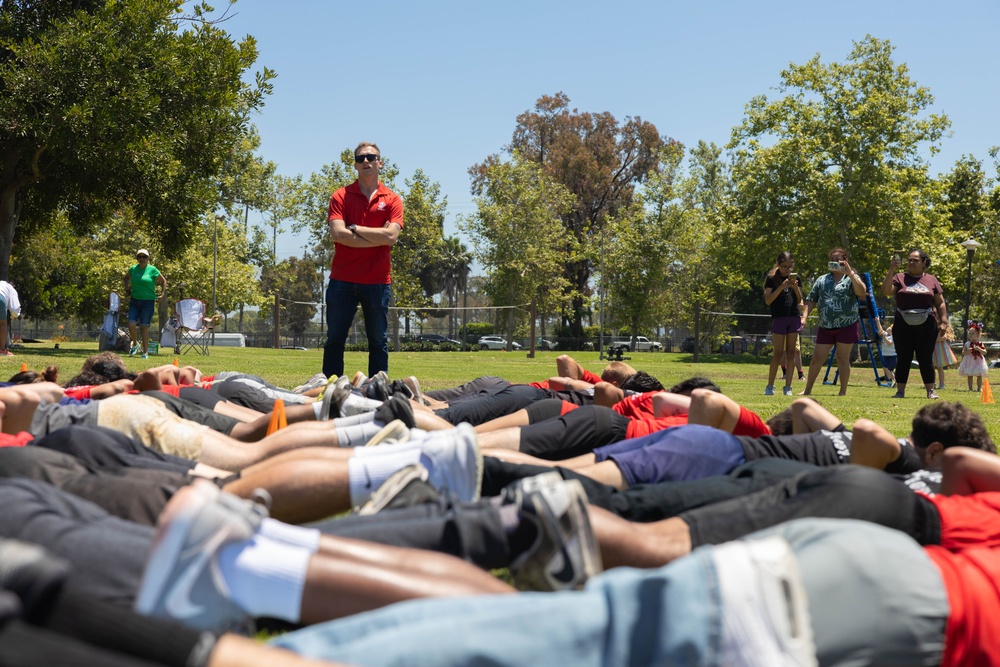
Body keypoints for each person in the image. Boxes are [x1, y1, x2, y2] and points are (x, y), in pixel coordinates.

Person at [323, 142, 404, 379]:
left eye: (371, 157)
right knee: (335, 340)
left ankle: (377, 392)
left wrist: (356, 229)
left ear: (380, 162)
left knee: (378, 341)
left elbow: (392, 236)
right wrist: (379, 237)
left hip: (377, 282)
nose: (366, 162)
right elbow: (338, 234)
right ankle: (330, 389)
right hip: (342, 281)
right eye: (361, 159)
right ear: (355, 165)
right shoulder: (340, 196)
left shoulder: (392, 199)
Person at [881, 248, 947, 400]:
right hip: (903, 323)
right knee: (904, 357)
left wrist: (943, 321)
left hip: (927, 323)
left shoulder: (932, 280)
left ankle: (931, 391)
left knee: (925, 358)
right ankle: (900, 391)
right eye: (910, 260)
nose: (911, 262)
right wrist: (892, 269)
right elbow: (886, 291)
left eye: (915, 260)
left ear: (924, 262)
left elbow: (940, 303)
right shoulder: (899, 277)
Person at [801, 247, 867, 396]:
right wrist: (804, 316)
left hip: (847, 325)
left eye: (838, 260)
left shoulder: (851, 278)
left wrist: (850, 273)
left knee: (842, 359)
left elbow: (862, 293)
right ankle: (807, 390)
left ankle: (842, 392)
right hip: (826, 326)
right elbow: (811, 299)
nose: (835, 262)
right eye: (832, 260)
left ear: (845, 261)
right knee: (817, 359)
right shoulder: (822, 279)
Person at [762, 251, 803, 396]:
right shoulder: (771, 279)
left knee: (791, 353)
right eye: (784, 267)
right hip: (779, 318)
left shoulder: (796, 278)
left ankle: (788, 387)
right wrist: (781, 287)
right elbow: (768, 300)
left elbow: (799, 300)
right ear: (778, 265)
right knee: (778, 353)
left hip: (793, 317)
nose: (787, 270)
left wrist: (795, 287)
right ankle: (770, 386)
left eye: (790, 267)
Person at [122, 248, 166, 359]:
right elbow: (126, 278)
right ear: (137, 258)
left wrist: (162, 294)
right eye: (139, 257)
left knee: (144, 327)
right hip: (135, 301)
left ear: (148, 258)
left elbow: (163, 281)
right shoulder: (133, 269)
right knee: (131, 324)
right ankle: (136, 343)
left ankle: (145, 352)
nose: (142, 259)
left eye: (144, 257)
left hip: (148, 302)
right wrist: (127, 288)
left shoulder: (153, 270)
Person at [957, 321, 989, 392]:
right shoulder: (967, 344)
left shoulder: (980, 344)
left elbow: (984, 352)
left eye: (972, 334)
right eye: (970, 334)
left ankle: (979, 388)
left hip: (978, 361)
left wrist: (979, 349)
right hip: (969, 361)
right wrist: (968, 351)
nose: (970, 335)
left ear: (977, 335)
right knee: (970, 375)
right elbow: (963, 352)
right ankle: (970, 388)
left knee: (979, 375)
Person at [934, 321, 958, 389]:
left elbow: (944, 338)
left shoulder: (941, 330)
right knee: (932, 367)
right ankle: (933, 383)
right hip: (932, 349)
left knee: (939, 367)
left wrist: (935, 339)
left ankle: (942, 384)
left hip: (939, 350)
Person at [0, 279, 21, 357]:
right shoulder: (11, 289)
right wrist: (14, 316)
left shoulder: (2, 284)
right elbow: (15, 308)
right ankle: (2, 350)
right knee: (2, 323)